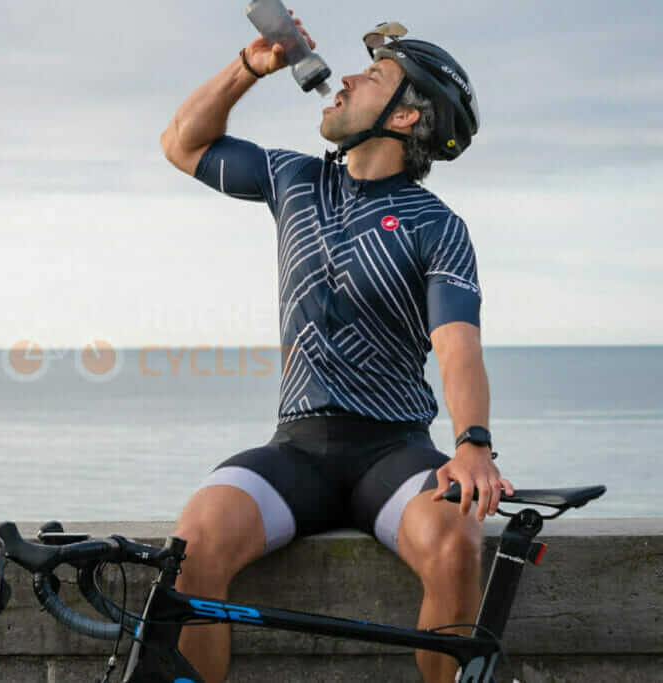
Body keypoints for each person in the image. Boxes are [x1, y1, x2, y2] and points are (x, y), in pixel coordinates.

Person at [159, 14, 514, 683]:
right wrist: (248, 66)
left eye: (373, 75)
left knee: (455, 545)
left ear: (406, 117)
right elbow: (183, 143)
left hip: (394, 452)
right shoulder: (294, 181)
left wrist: (473, 444)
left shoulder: (436, 226)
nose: (345, 79)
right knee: (192, 546)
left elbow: (458, 347)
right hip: (296, 451)